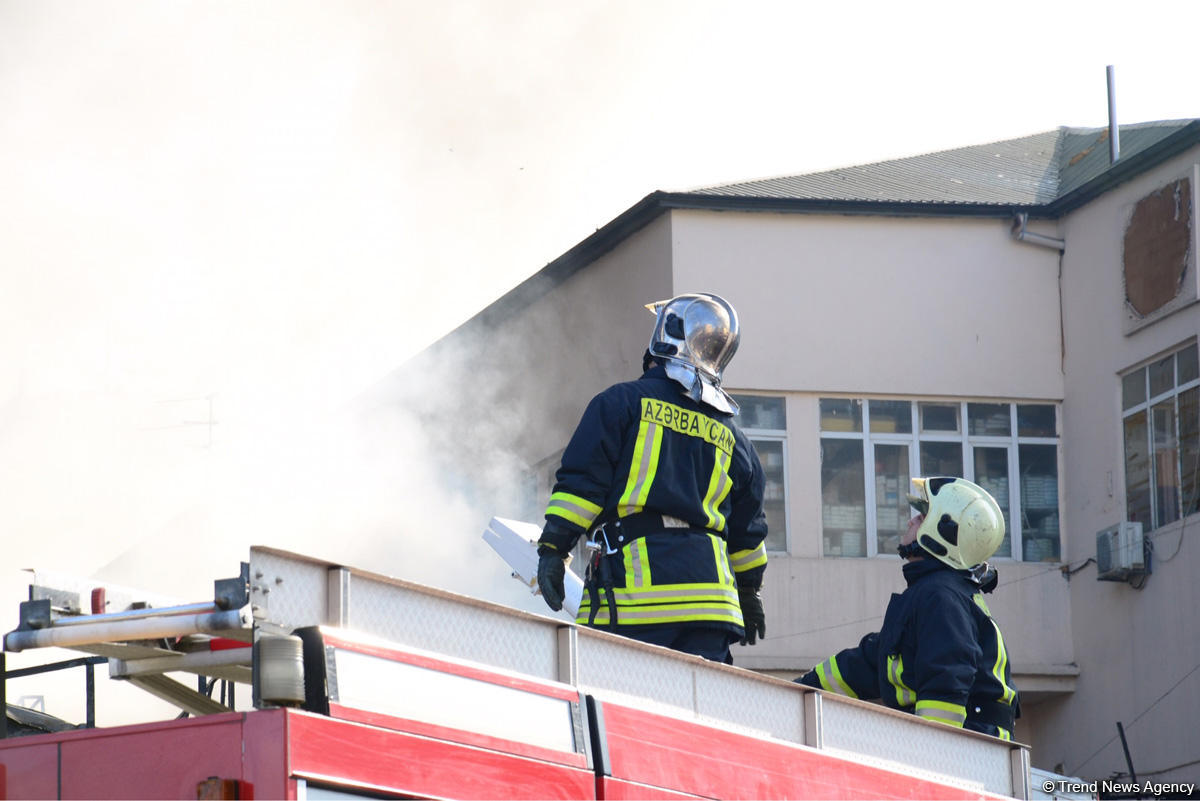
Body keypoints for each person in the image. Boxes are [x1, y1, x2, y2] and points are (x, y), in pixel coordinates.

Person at [535, 292, 769, 664]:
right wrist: (750, 592)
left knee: (621, 712)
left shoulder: (620, 403)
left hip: (640, 601)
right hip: (712, 610)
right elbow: (748, 533)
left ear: (667, 334)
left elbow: (581, 487)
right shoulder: (735, 439)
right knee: (699, 717)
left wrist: (553, 549)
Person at [796, 477, 1020, 740]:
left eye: (922, 517)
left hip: (972, 746)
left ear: (943, 532)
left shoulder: (940, 596)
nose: (911, 521)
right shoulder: (933, 592)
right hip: (974, 740)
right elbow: (873, 661)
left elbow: (946, 678)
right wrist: (801, 691)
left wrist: (929, 748)